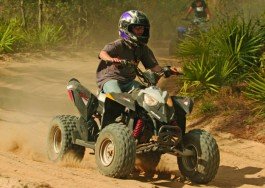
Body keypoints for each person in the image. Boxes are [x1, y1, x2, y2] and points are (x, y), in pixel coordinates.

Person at [96, 10, 180, 93]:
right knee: (117, 97)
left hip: (129, 82)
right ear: (126, 28)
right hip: (111, 79)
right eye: (137, 28)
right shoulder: (119, 44)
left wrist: (168, 70)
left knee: (146, 94)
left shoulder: (142, 48)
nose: (141, 31)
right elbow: (102, 53)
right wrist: (111, 59)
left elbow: (154, 67)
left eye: (142, 28)